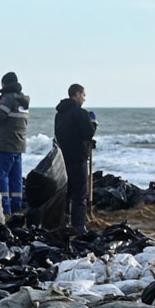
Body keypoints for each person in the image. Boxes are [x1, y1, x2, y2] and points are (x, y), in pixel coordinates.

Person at [53, 83, 97, 233]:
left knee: (67, 191)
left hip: (63, 157)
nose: (84, 99)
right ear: (77, 94)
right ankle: (79, 225)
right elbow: (87, 133)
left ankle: (64, 222)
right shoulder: (80, 113)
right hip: (78, 157)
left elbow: (58, 134)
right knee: (80, 193)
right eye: (84, 95)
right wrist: (93, 124)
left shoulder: (59, 113)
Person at [0, 73, 30, 215]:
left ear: (4, 84)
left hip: (6, 144)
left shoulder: (8, 98)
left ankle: (4, 208)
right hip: (19, 145)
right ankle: (17, 209)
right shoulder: (23, 101)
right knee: (16, 179)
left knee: (0, 176)